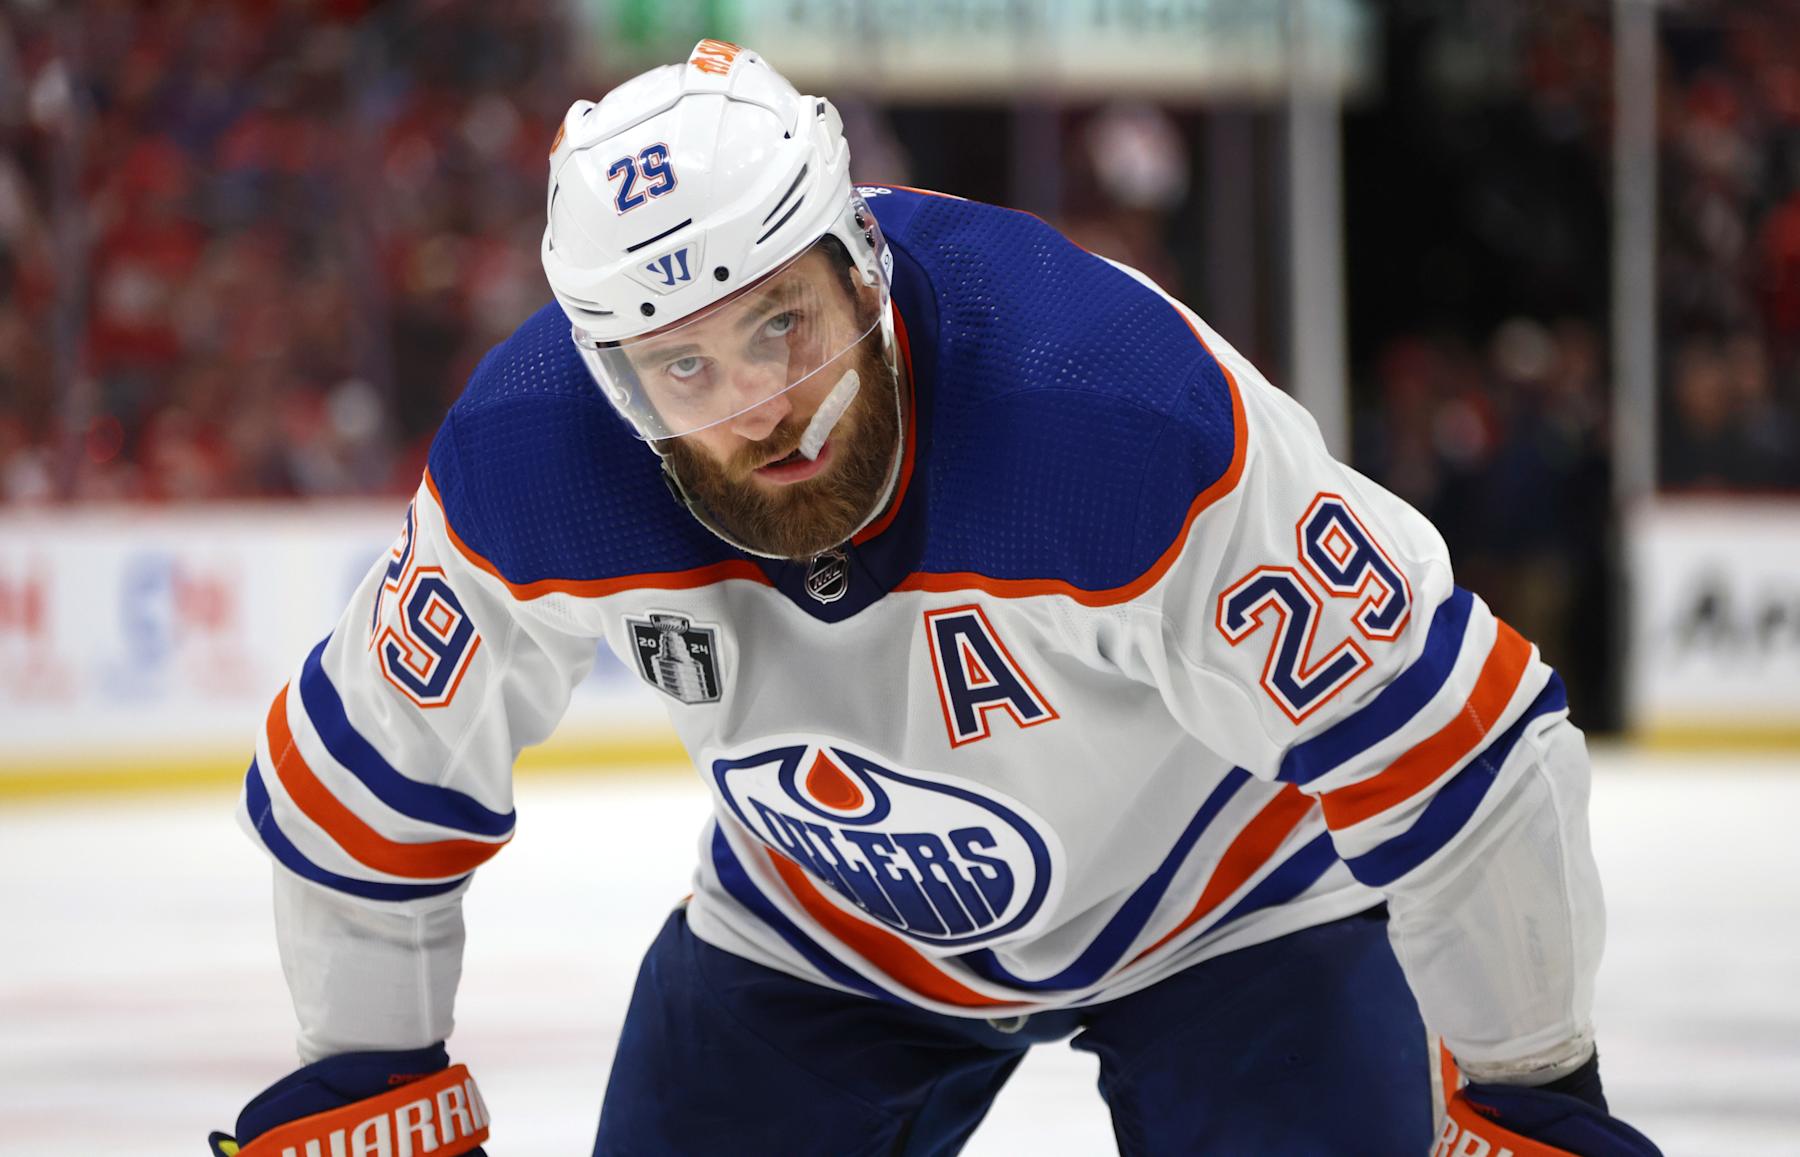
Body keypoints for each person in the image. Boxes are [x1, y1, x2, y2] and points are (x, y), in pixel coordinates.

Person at [210, 42, 1661, 1157]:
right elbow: (366, 782)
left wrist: (1536, 1087)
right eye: (686, 368)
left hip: (1238, 907)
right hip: (820, 932)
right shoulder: (537, 459)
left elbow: (1464, 749)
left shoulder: (1107, 408)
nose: (760, 412)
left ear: (860, 264)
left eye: (781, 322)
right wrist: (371, 1076)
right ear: (610, 379)